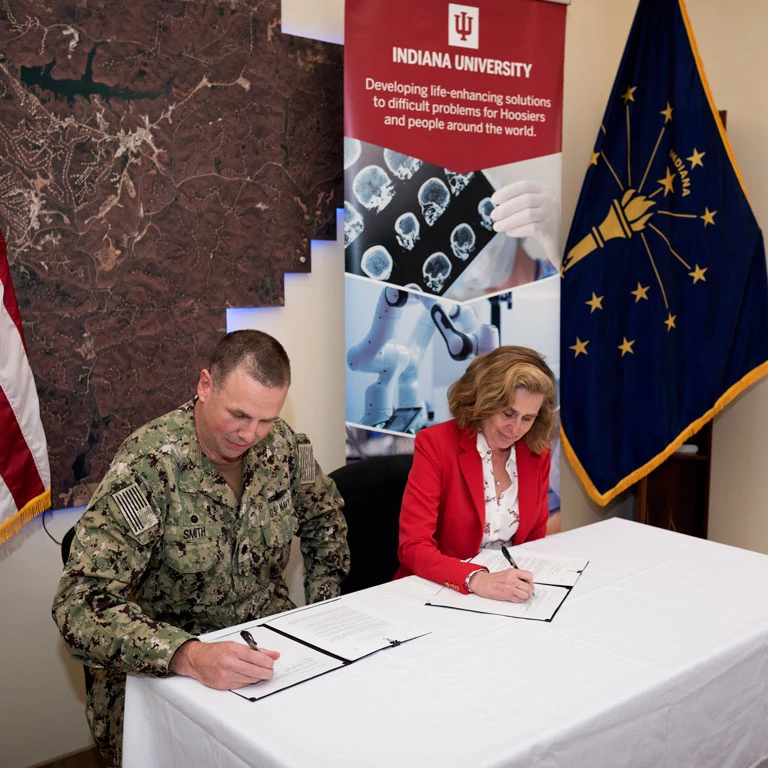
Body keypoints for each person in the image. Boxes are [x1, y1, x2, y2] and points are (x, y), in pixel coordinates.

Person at [52, 330, 350, 765]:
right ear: (205, 385)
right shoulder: (148, 466)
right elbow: (78, 605)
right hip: (164, 667)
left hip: (269, 645)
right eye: (239, 415)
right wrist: (187, 655)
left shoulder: (284, 446)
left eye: (266, 419)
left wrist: (321, 611)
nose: (251, 434)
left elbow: (325, 518)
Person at [396, 346, 556, 602]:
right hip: (440, 589)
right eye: (508, 413)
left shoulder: (537, 452)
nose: (515, 428)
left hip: (507, 592)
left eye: (528, 418)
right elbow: (413, 547)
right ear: (484, 401)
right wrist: (478, 579)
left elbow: (534, 537)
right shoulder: (435, 444)